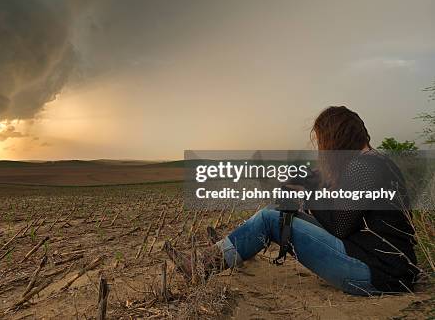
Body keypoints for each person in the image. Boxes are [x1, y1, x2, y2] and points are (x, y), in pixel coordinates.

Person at [165, 106, 419, 295]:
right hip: (379, 266)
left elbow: (340, 226)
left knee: (270, 218)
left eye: (322, 140)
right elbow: (326, 190)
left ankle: (203, 266)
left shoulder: (365, 168)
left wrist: (303, 197)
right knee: (275, 209)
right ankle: (230, 250)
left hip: (378, 275)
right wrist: (300, 182)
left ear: (336, 138)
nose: (321, 147)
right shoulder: (369, 162)